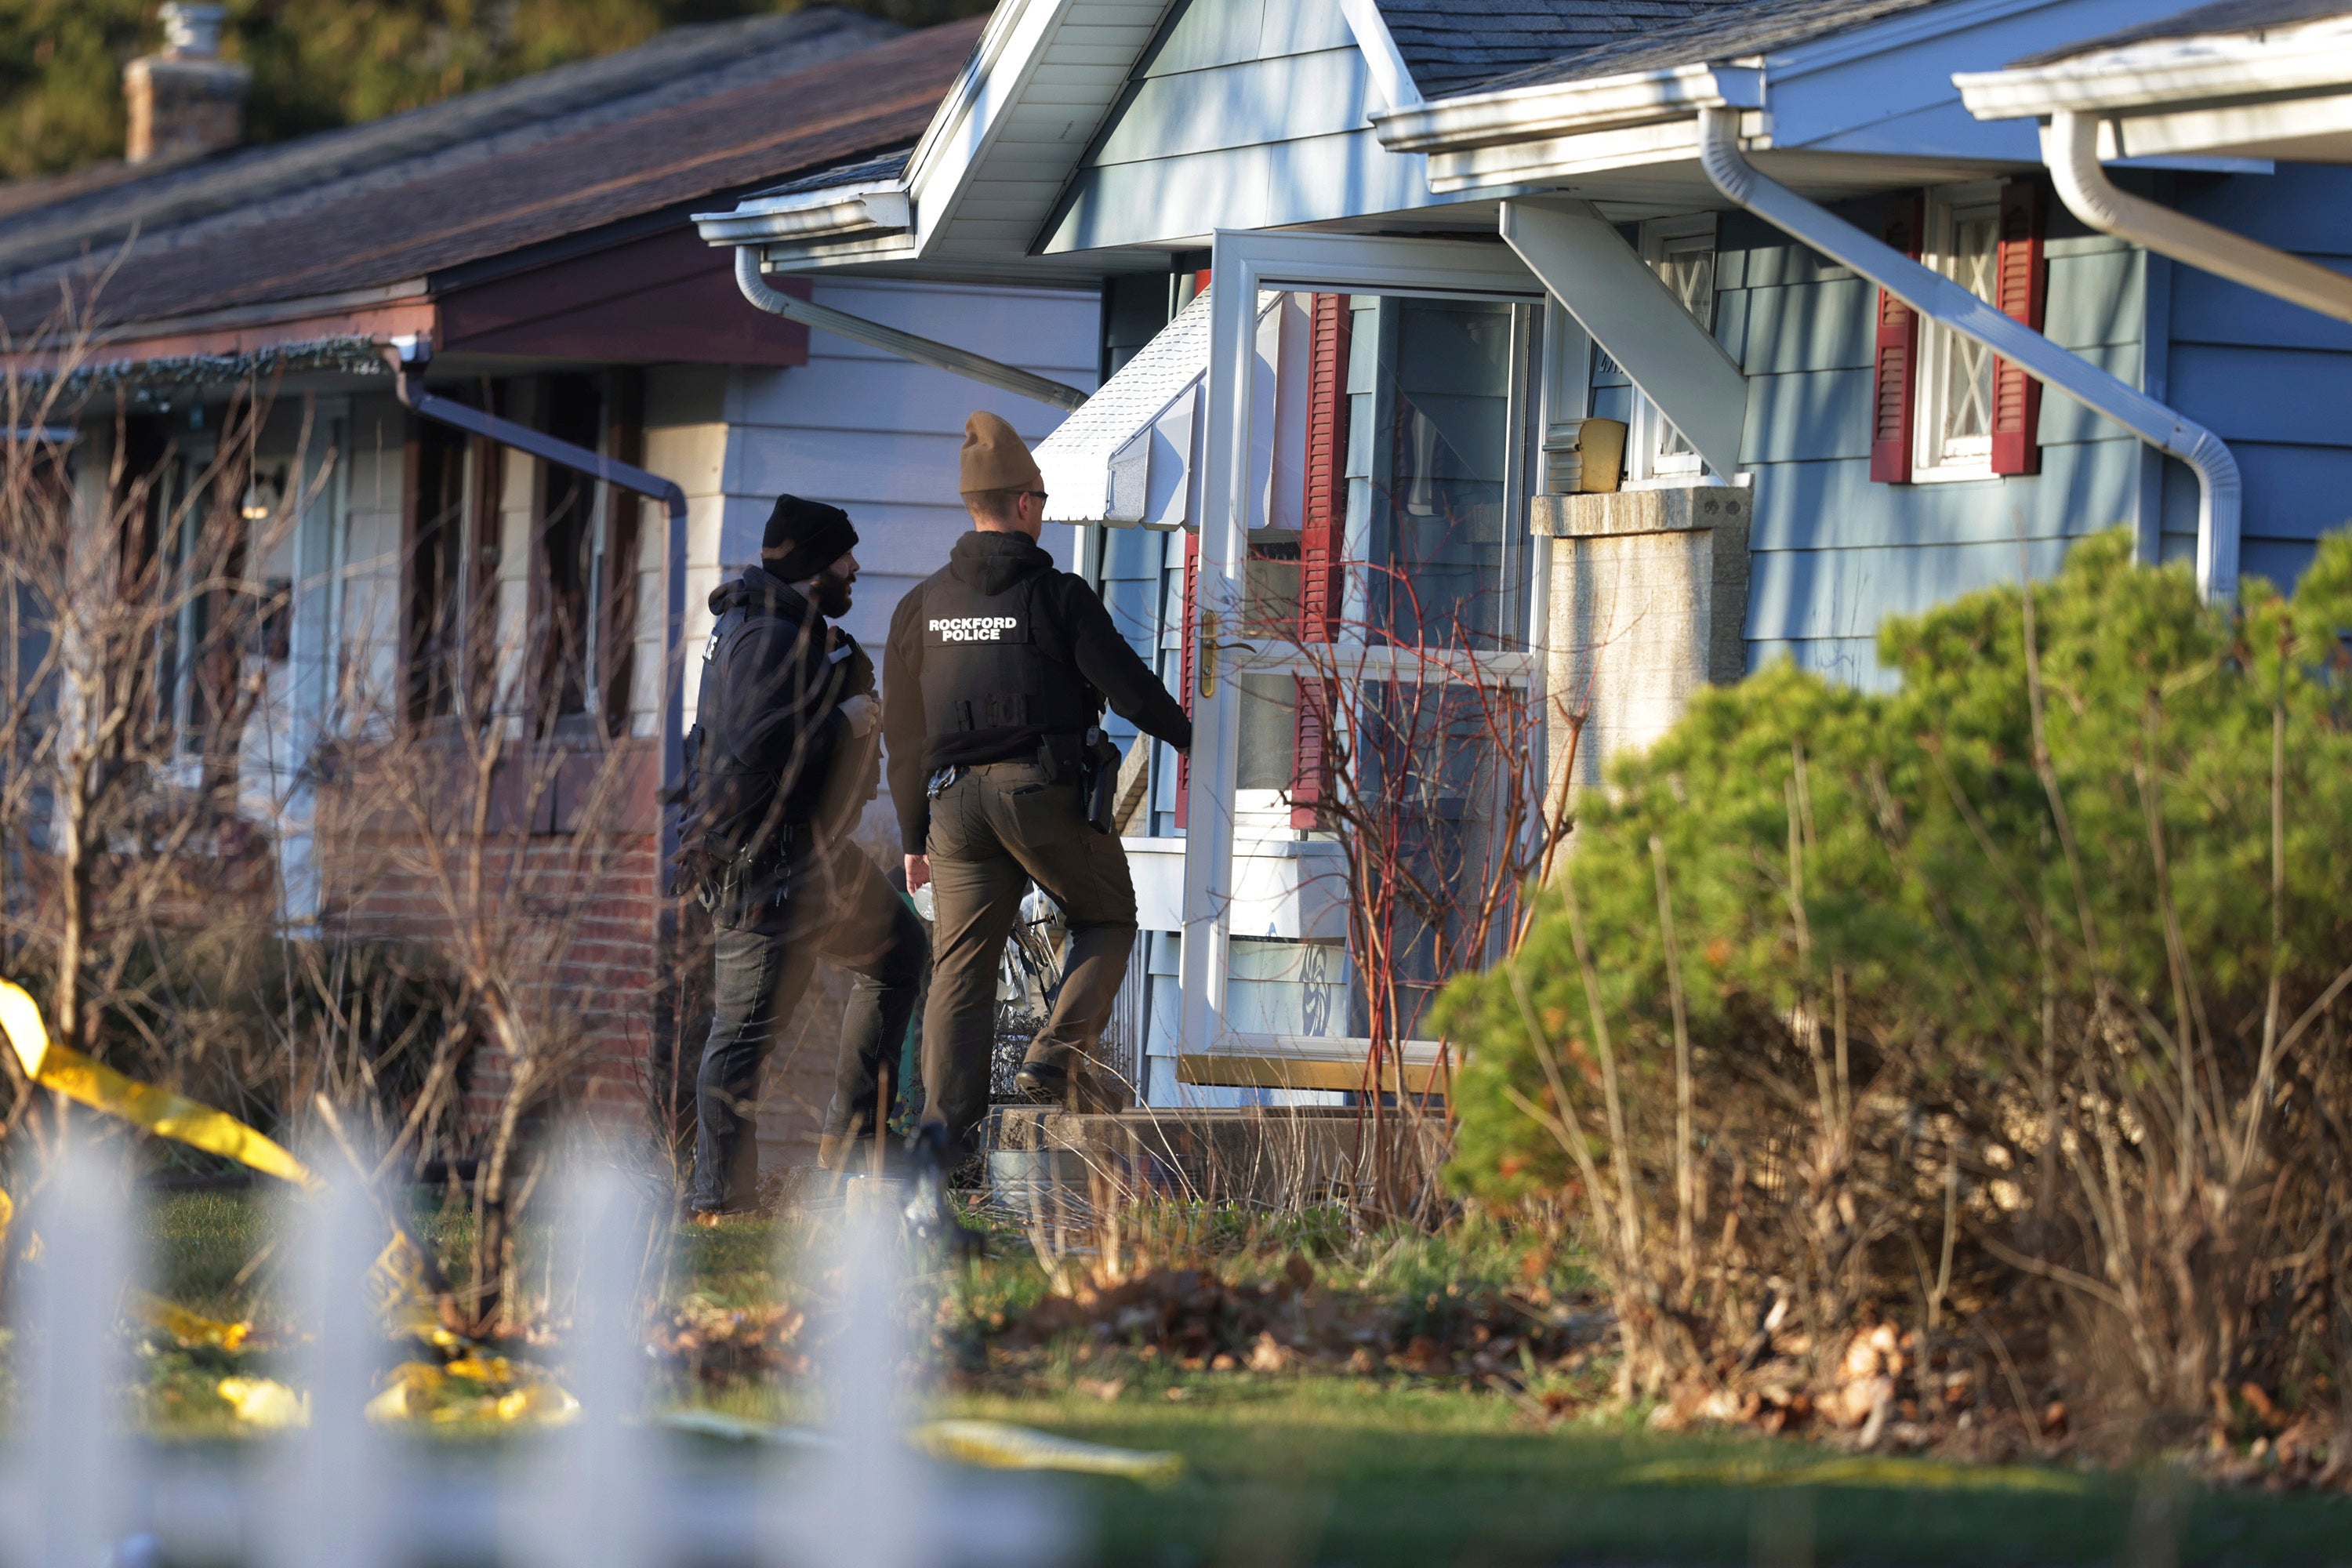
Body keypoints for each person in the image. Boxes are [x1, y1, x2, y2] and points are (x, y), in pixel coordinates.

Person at [883, 411, 1192, 1182]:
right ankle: (1054, 1056)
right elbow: (1131, 694)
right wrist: (1191, 733)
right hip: (1039, 793)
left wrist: (913, 834)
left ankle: (944, 1156)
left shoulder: (920, 606)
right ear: (1024, 503)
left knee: (960, 970)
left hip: (952, 811)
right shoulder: (1057, 597)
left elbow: (906, 736)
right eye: (1042, 500)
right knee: (1108, 916)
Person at [679, 495, 927, 1219]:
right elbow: (749, 753)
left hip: (815, 856)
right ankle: (718, 1201)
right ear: (816, 564)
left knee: (897, 950)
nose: (856, 566)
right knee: (743, 1034)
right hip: (762, 866)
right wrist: (839, 720)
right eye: (845, 555)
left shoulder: (798, 631)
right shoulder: (764, 637)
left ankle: (855, 1140)